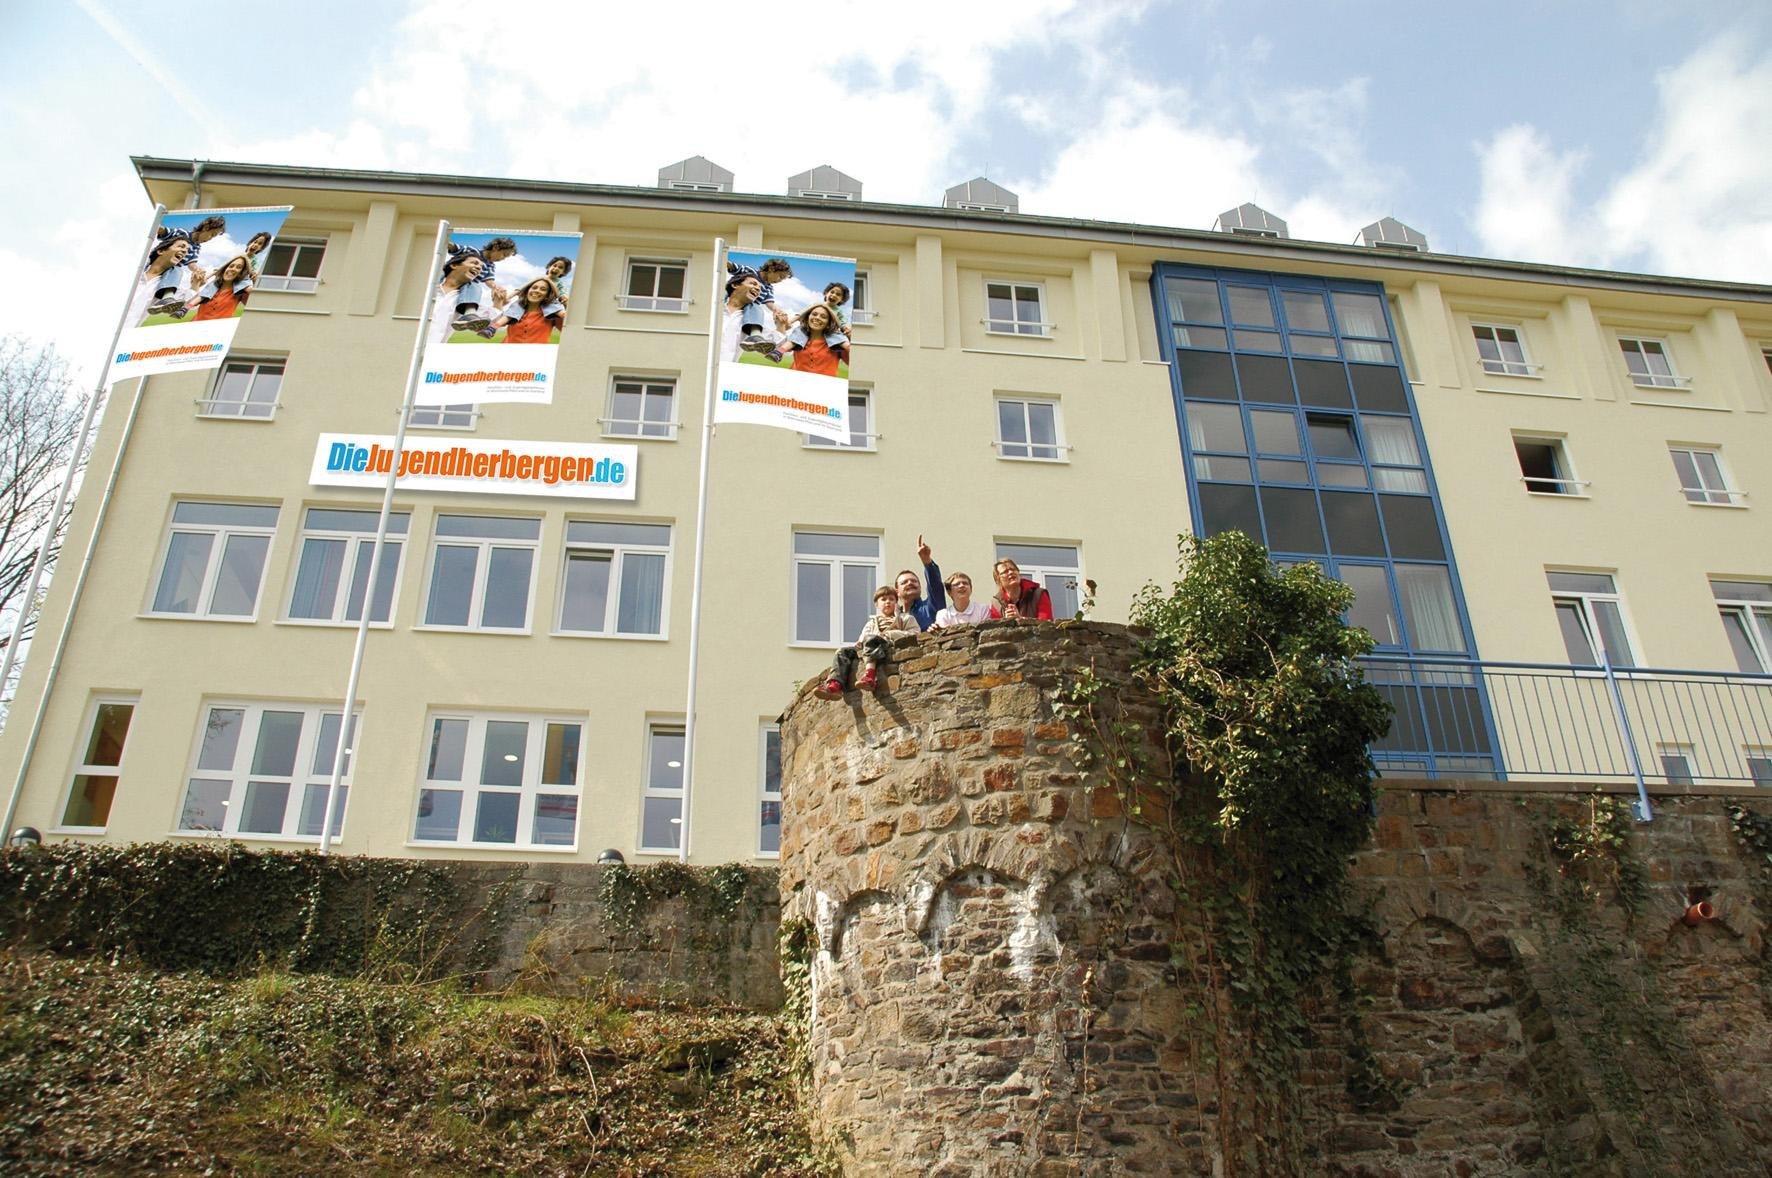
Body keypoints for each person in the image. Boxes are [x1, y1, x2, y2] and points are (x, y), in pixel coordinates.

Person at [814, 586, 917, 697]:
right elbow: (863, 638)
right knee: (842, 651)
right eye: (883, 599)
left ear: (896, 603)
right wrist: (859, 642)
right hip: (868, 646)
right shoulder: (871, 623)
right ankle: (835, 684)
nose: (888, 602)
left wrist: (890, 634)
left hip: (887, 645)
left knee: (870, 639)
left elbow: (915, 633)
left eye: (891, 599)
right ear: (876, 604)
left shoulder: (905, 618)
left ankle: (869, 676)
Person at [444, 236, 517, 332]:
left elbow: (489, 280)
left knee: (475, 286)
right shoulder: (473, 251)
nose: (503, 259)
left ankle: (469, 315)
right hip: (450, 279)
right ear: (496, 247)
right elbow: (454, 247)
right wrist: (443, 240)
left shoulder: (490, 266)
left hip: (468, 288)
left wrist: (495, 287)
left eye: (506, 257)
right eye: (504, 254)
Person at [727, 257, 793, 350]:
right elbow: (732, 266)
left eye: (782, 279)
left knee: (756, 307)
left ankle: (755, 335)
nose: (779, 281)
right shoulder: (751, 272)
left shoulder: (769, 288)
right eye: (780, 277)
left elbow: (769, 303)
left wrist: (777, 310)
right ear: (771, 269)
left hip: (749, 310)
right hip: (731, 299)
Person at [766, 303, 848, 373]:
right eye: (814, 314)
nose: (817, 318)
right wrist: (781, 325)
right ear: (808, 317)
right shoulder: (799, 336)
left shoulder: (837, 342)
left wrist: (850, 337)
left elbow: (851, 362)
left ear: (828, 323)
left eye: (823, 317)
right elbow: (780, 345)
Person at [487, 276, 565, 343]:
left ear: (547, 295)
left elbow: (568, 331)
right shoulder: (515, 309)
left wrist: (566, 304)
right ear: (527, 291)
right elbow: (495, 321)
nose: (537, 290)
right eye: (534, 287)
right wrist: (498, 301)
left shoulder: (552, 314)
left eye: (543, 289)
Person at [897, 535, 947, 631]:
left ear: (920, 587)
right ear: (897, 592)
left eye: (914, 581)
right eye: (904, 582)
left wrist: (927, 562)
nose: (910, 583)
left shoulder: (930, 607)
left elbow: (935, 587)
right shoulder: (893, 615)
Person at [190, 256, 254, 321]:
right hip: (196, 324)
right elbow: (190, 303)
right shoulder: (211, 287)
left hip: (220, 327)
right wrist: (196, 283)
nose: (233, 269)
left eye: (239, 267)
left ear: (242, 273)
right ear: (225, 269)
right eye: (231, 266)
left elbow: (254, 307)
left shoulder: (241, 292)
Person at [988, 558, 1052, 621]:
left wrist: (1020, 620)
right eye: (1005, 571)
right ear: (998, 580)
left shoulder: (1038, 594)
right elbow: (995, 627)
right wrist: (1006, 622)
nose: (1010, 572)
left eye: (1013, 569)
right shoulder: (996, 604)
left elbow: (1046, 624)